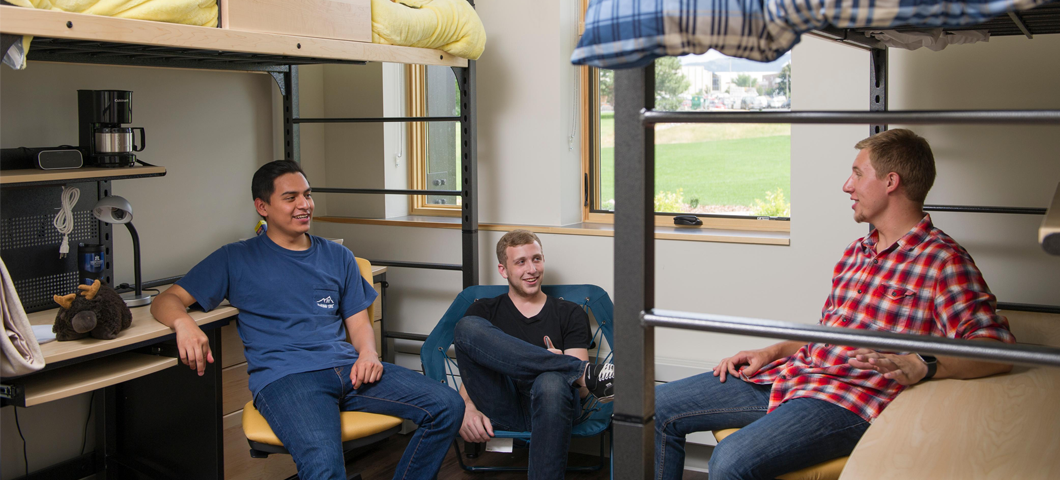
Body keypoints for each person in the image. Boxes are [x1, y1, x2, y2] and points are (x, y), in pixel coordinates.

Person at [653, 129, 1016, 480]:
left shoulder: (944, 261)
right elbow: (832, 335)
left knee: (730, 460)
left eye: (858, 174)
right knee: (654, 406)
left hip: (848, 399)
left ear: (891, 182)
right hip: (795, 374)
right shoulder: (856, 253)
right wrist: (775, 350)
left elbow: (996, 350)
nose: (848, 185)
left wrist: (924, 364)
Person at [151, 160, 463, 480]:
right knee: (324, 467)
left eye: (307, 195)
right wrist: (184, 324)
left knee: (447, 406)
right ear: (263, 207)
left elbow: (358, 322)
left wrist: (368, 353)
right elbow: (166, 300)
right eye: (290, 198)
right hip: (287, 378)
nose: (304, 205)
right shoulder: (235, 258)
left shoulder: (337, 256)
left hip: (347, 369)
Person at [453, 230, 614, 480]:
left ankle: (565, 370)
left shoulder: (569, 313)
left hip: (554, 404)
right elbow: (473, 373)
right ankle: (573, 369)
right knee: (466, 327)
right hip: (502, 404)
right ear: (503, 270)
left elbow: (582, 391)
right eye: (521, 262)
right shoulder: (483, 310)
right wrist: (466, 407)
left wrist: (554, 370)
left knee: (550, 380)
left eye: (536, 259)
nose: (532, 269)